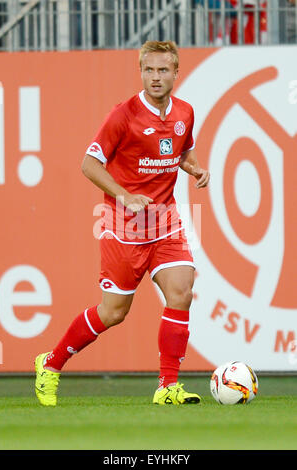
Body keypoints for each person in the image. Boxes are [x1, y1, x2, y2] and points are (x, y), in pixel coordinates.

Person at [34, 40, 210, 407]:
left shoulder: (185, 112)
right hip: (123, 227)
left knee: (182, 290)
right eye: (149, 70)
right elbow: (89, 164)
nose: (156, 77)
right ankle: (51, 363)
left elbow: (181, 150)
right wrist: (125, 195)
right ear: (141, 72)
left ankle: (167, 387)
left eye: (163, 70)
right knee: (114, 312)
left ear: (176, 73)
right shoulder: (124, 115)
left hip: (164, 221)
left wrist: (193, 168)